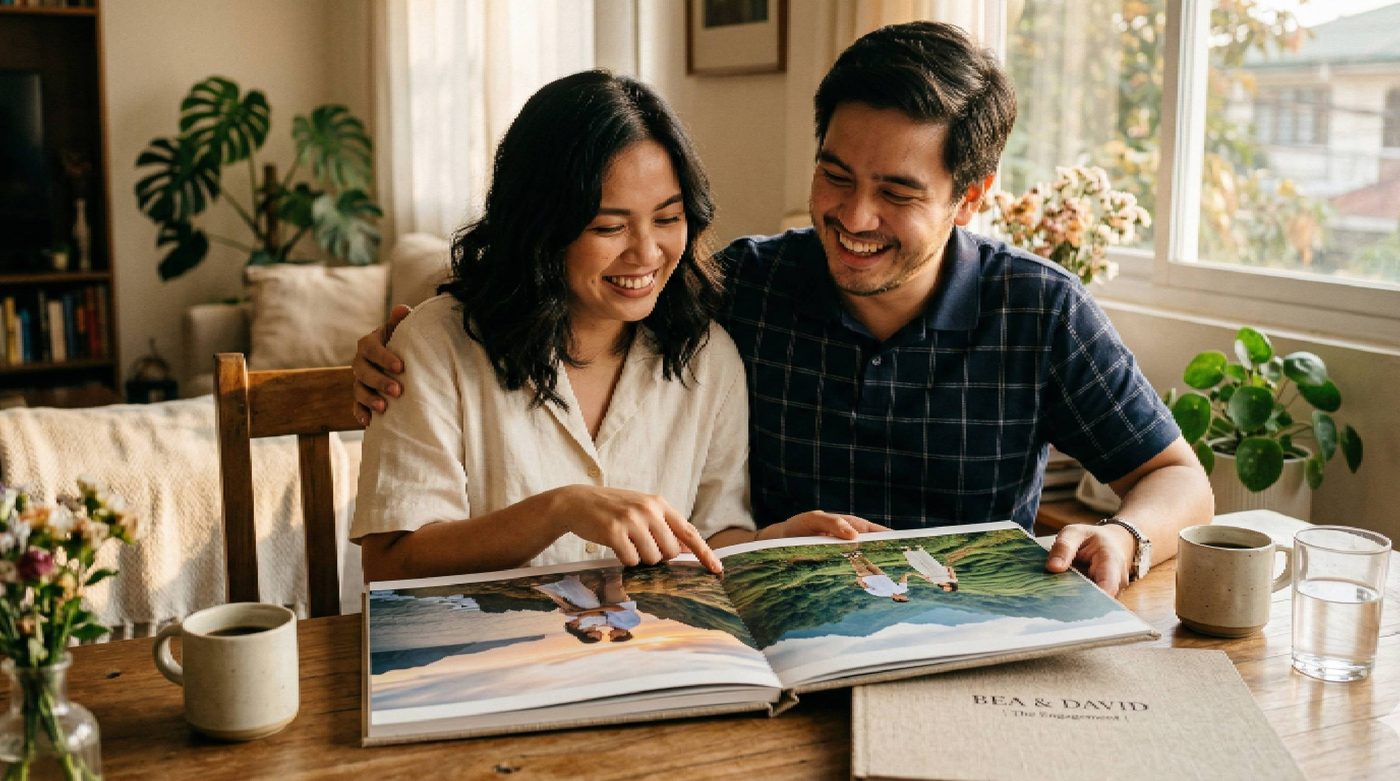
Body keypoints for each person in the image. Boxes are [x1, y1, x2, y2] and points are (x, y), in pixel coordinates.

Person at [352, 24, 1213, 596]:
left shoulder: (1039, 310)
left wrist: (1128, 538)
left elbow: (1178, 478)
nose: (853, 216)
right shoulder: (743, 291)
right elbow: (577, 286)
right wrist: (422, 330)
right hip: (774, 637)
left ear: (971, 196)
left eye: (896, 192)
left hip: (969, 641)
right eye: (836, 174)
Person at [350, 71, 884, 583]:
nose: (647, 253)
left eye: (668, 219)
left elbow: (709, 536)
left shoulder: (706, 356)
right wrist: (557, 510)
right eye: (609, 226)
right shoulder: (436, 346)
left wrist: (776, 540)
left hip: (645, 657)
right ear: (540, 227)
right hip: (485, 663)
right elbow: (391, 564)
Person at [843, 551, 910, 602]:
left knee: (859, 567)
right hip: (881, 575)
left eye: (905, 598)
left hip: (868, 579)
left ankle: (850, 557)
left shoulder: (881, 594)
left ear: (898, 599)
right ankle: (858, 555)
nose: (905, 596)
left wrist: (859, 581)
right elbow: (904, 579)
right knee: (869, 564)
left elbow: (866, 587)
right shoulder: (902, 590)